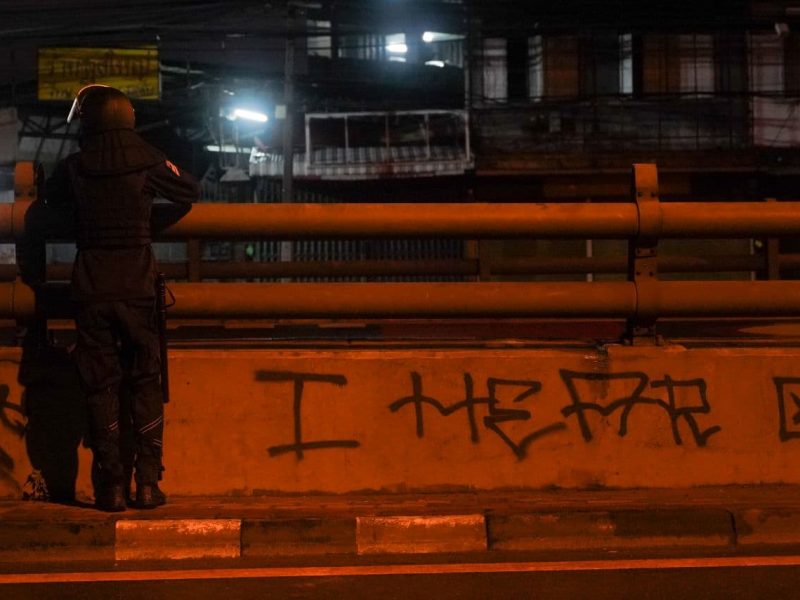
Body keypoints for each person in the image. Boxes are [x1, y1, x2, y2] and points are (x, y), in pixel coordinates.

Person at [45, 84, 199, 511]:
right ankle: (147, 484)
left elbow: (50, 200)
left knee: (100, 385)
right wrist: (145, 222)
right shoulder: (147, 160)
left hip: (91, 286)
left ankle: (110, 488)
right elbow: (188, 189)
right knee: (145, 380)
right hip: (137, 286)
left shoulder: (75, 166)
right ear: (127, 117)